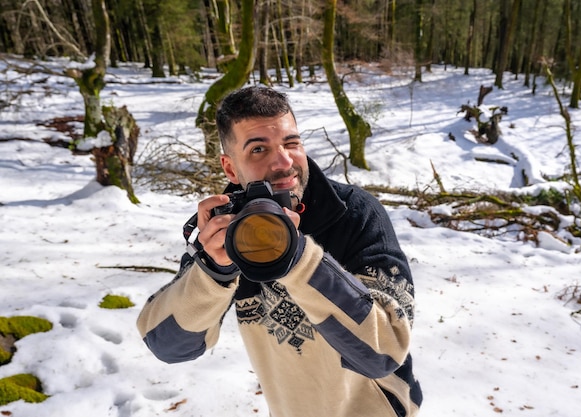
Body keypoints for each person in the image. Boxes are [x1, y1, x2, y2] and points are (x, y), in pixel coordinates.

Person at [136, 86, 423, 417]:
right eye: (258, 149)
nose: (284, 162)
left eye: (291, 143)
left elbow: (385, 352)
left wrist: (298, 258)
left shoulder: (355, 214)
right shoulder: (227, 231)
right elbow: (167, 346)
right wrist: (212, 272)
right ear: (230, 169)